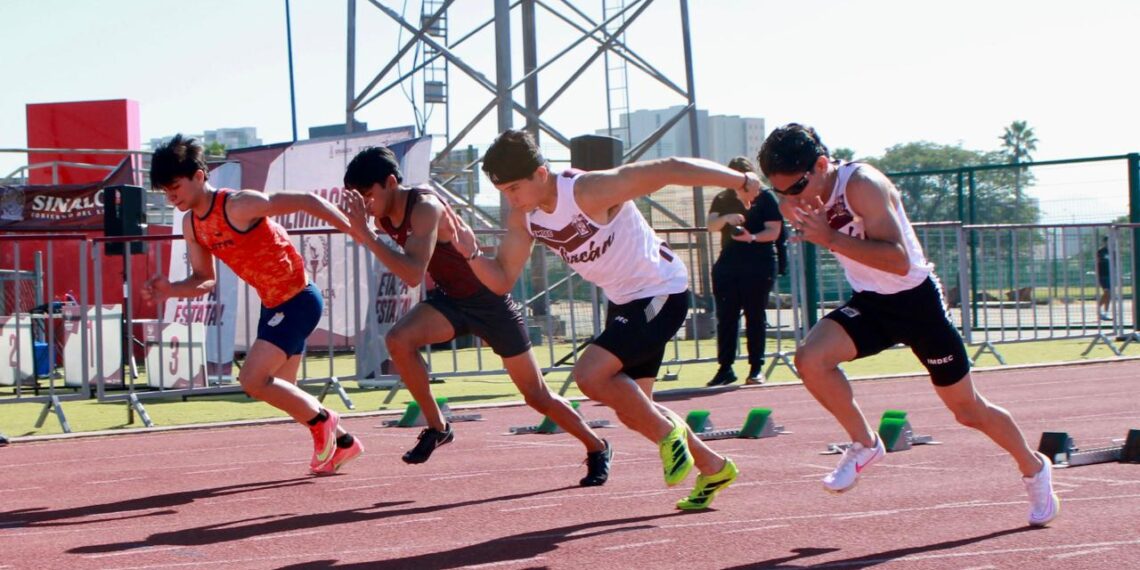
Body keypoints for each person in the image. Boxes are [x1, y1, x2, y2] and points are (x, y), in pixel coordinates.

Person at [757, 123, 1059, 527]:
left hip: (917, 302)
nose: (791, 200)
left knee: (968, 410)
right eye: (781, 192)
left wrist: (829, 238)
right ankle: (865, 443)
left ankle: (1034, 467)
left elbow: (898, 260)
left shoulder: (863, 184)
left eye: (795, 188)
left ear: (822, 164)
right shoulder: (791, 198)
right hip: (873, 304)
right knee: (811, 359)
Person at [448, 129, 745, 510]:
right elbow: (503, 278)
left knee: (589, 375)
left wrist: (742, 181)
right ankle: (714, 466)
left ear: (541, 173)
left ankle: (670, 437)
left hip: (661, 290)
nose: (511, 199)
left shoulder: (589, 191)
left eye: (514, 189)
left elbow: (669, 168)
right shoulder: (524, 216)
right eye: (503, 191)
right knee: (634, 411)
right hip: (624, 301)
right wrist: (471, 253)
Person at [341, 146, 612, 486]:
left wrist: (364, 235)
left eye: (367, 195)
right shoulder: (380, 213)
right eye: (358, 199)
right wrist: (356, 222)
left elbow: (411, 274)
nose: (364, 205)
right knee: (398, 340)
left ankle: (597, 446)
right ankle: (438, 427)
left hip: (490, 302)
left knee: (537, 395)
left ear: (391, 182)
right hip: (450, 301)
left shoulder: (425, 208)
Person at [143, 134, 362, 476]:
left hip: (300, 299)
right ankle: (345, 443)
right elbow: (204, 278)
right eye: (164, 191)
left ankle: (326, 419)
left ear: (199, 176)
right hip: (272, 305)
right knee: (285, 393)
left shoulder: (238, 205)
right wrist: (170, 289)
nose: (170, 196)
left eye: (174, 186)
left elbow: (304, 200)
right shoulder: (191, 225)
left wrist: (352, 228)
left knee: (252, 379)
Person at [705, 156, 784, 386]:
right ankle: (725, 367)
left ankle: (756, 368)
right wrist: (726, 218)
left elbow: (774, 231)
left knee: (755, 316)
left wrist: (752, 238)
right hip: (729, 265)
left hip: (758, 265)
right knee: (726, 317)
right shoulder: (723, 198)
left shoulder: (766, 197)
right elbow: (711, 225)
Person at [1096, 236, 1112, 321]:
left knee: (1109, 295)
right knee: (1107, 292)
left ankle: (1105, 313)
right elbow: (1099, 263)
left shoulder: (1112, 251)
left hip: (1110, 275)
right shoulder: (1100, 252)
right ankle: (1099, 309)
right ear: (1104, 242)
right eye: (1107, 242)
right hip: (1102, 275)